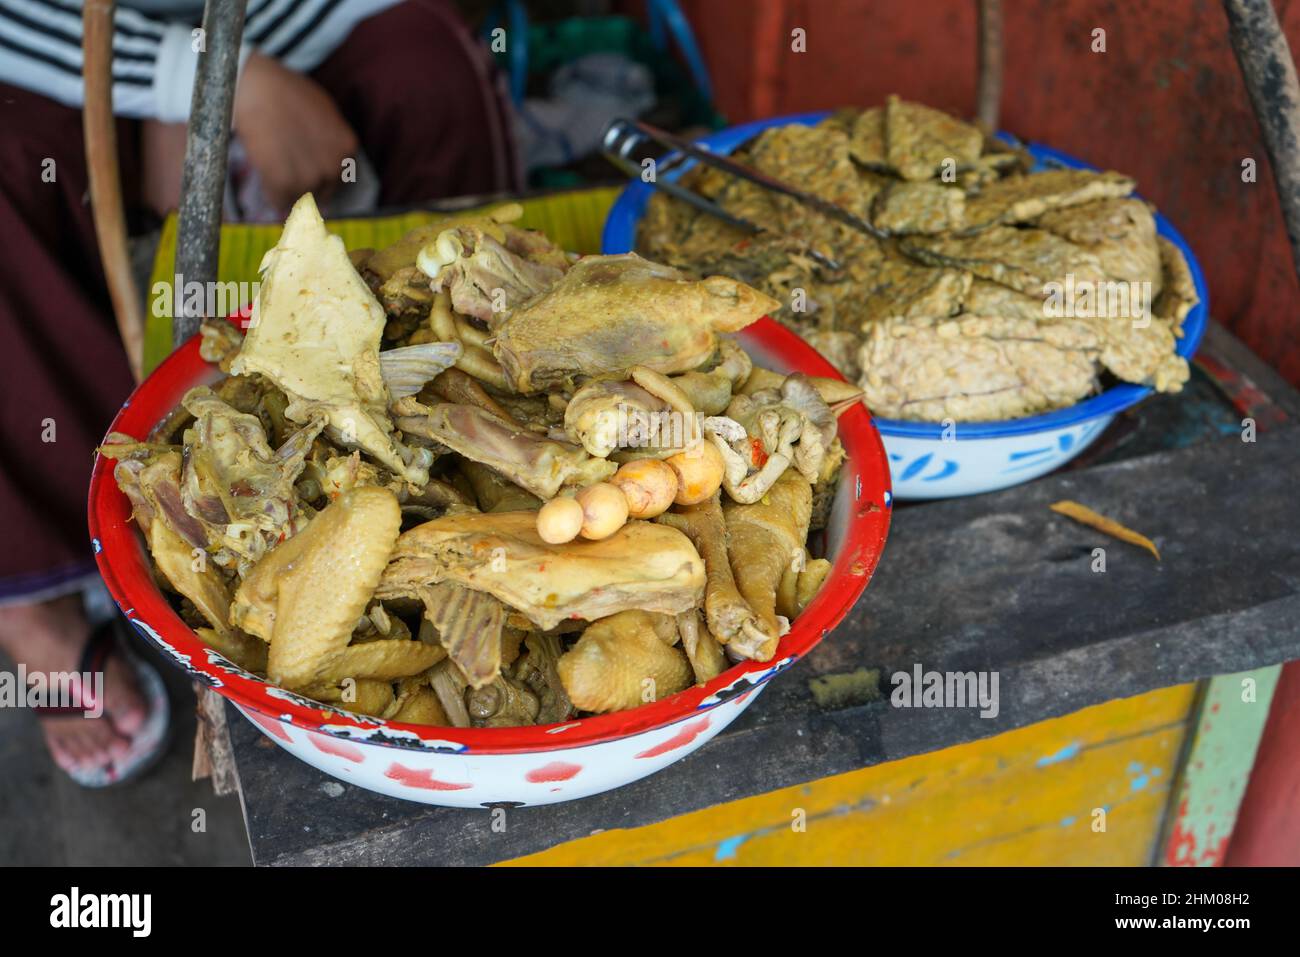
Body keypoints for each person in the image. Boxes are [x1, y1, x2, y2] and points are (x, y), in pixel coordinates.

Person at [0, 0, 519, 784]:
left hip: (297, 10)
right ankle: (35, 600)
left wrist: (244, 55)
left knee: (430, 68)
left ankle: (480, 445)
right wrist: (200, 78)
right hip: (61, 42)